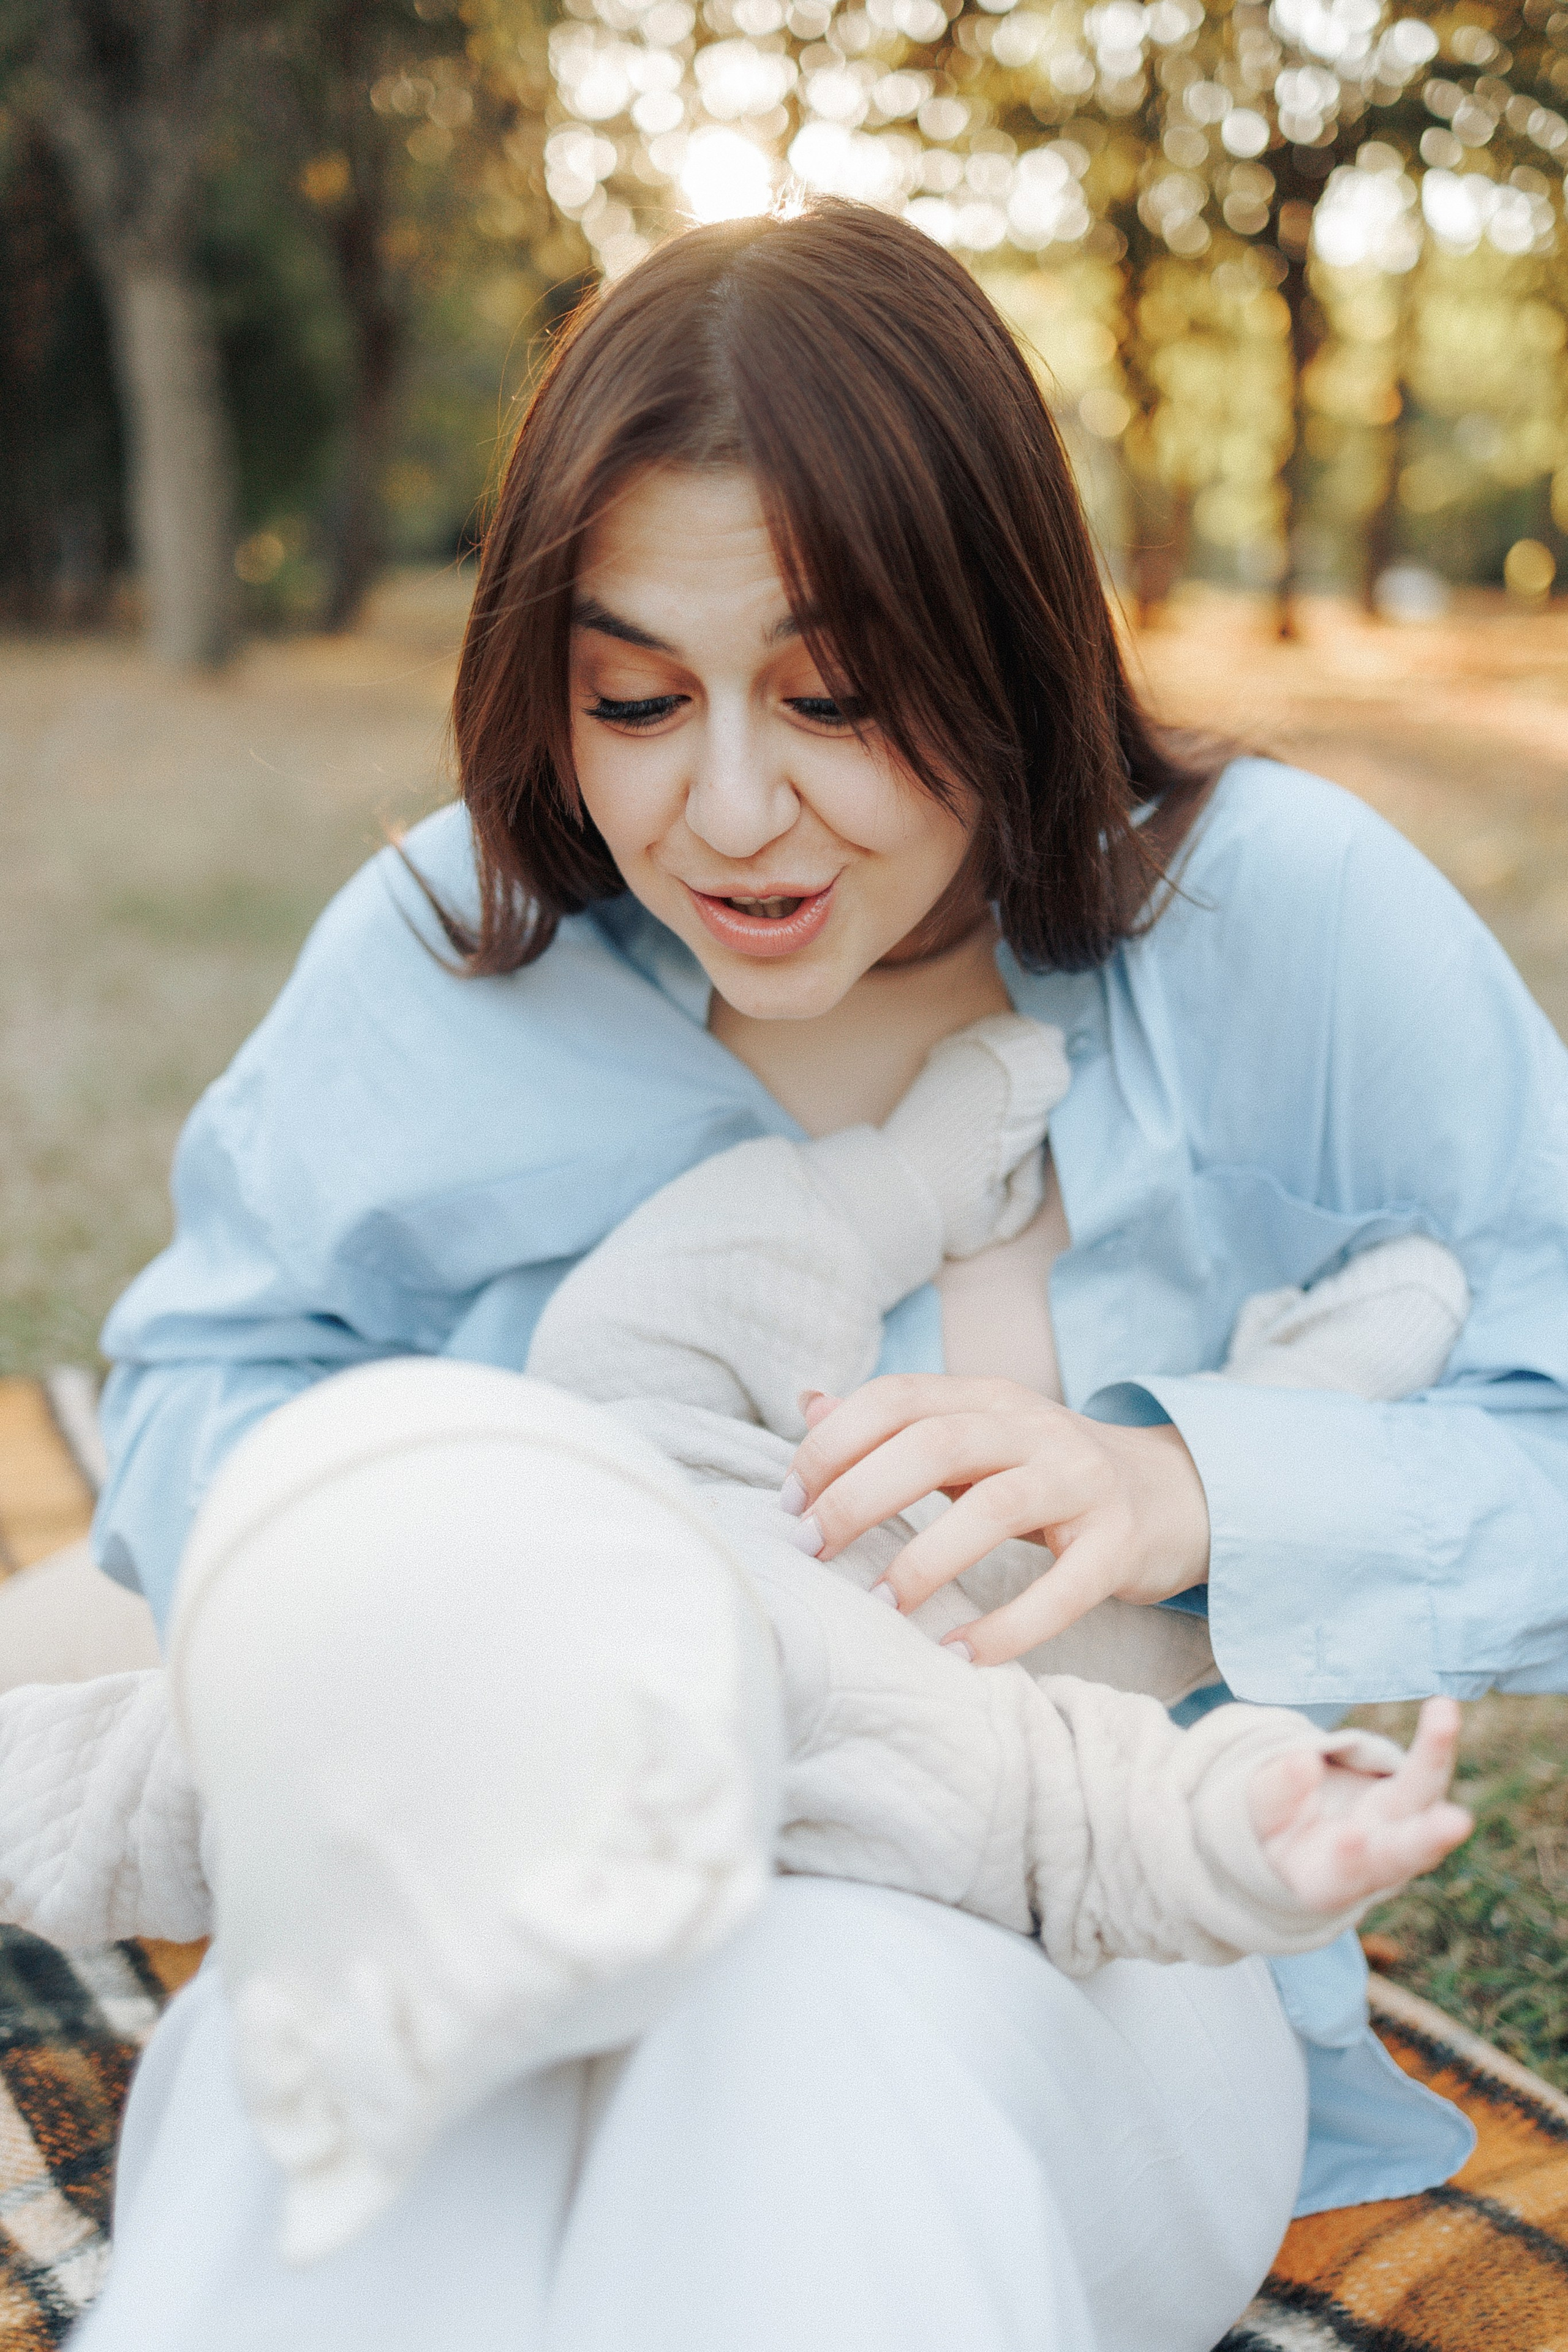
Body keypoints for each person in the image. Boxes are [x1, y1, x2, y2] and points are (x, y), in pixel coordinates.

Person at [78, 198, 1568, 2348]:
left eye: (838, 693)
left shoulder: (1283, 925)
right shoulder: (446, 950)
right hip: (512, 1880)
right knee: (285, 2082)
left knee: (811, 2028)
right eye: (635, 696)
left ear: (1003, 638)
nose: (732, 810)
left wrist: (1179, 1494)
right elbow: (205, 1376)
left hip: (1076, 1940)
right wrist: (449, 1592)